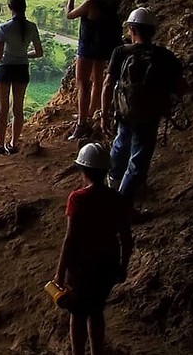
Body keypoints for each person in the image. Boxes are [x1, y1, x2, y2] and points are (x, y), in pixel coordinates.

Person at [54, 143, 133, 355]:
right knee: (96, 311)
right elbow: (126, 237)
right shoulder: (117, 199)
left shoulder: (78, 199)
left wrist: (59, 274)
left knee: (78, 313)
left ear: (83, 171)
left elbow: (70, 238)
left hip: (81, 267)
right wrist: (123, 266)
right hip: (108, 265)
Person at [102, 7, 184, 199]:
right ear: (153, 31)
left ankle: (111, 189)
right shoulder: (165, 56)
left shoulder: (120, 52)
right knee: (138, 161)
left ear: (131, 29)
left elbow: (107, 84)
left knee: (120, 145)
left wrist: (104, 114)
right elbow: (179, 87)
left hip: (124, 112)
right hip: (149, 115)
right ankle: (123, 202)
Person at [65, 0, 121, 140]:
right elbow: (98, 6)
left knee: (83, 83)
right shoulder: (114, 2)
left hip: (88, 48)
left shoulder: (90, 4)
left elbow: (70, 14)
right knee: (98, 81)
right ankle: (93, 114)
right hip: (105, 48)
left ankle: (82, 124)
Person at [0, 0, 43, 154]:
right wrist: (23, 55)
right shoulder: (31, 27)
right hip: (21, 70)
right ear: (24, 7)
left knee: (2, 108)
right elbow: (38, 52)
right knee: (18, 109)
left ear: (10, 8)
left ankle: (0, 145)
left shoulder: (3, 28)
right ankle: (13, 144)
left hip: (4, 69)